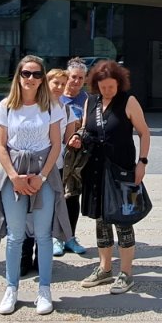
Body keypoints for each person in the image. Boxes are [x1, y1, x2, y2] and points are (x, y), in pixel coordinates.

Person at [0, 55, 68, 315]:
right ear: (18, 76)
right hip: (15, 174)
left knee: (43, 236)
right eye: (26, 73)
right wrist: (13, 176)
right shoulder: (6, 106)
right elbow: (0, 146)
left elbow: (56, 144)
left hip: (43, 173)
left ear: (43, 77)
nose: (31, 78)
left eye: (36, 74)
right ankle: (12, 288)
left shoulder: (52, 106)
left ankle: (44, 289)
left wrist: (42, 176)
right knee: (15, 235)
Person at [77, 59, 152, 295]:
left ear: (119, 83)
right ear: (96, 84)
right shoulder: (90, 101)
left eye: (111, 86)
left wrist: (142, 162)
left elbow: (144, 132)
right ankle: (104, 267)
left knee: (123, 220)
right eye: (103, 86)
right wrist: (78, 137)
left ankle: (126, 272)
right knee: (101, 220)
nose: (108, 91)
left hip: (122, 171)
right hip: (95, 170)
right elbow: (84, 128)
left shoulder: (128, 101)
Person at [56, 60, 91, 256]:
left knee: (72, 197)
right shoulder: (56, 98)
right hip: (56, 154)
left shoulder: (88, 100)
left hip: (77, 158)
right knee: (54, 197)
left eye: (80, 78)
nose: (76, 81)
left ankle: (70, 237)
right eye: (73, 77)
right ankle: (55, 238)